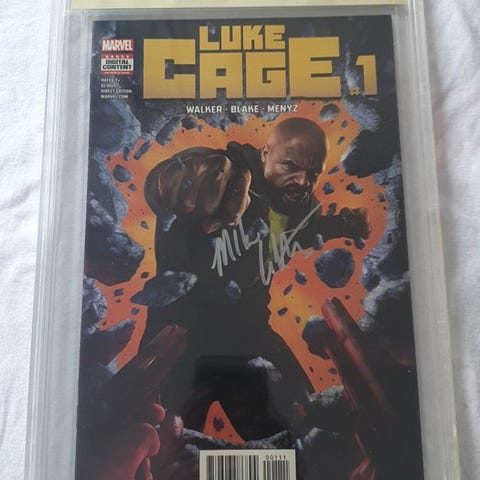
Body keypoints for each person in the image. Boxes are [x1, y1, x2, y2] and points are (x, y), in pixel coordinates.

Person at [141, 117, 370, 439]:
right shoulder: (234, 177)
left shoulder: (300, 204)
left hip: (248, 334)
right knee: (160, 446)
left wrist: (343, 225)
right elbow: (180, 182)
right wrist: (177, 176)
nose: (302, 181)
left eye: (313, 173)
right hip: (180, 339)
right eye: (290, 165)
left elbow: (302, 231)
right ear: (265, 154)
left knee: (306, 438)